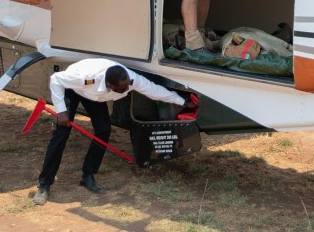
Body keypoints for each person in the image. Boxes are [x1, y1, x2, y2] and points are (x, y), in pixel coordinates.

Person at [33, 58, 197, 205]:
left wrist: (183, 101)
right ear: (110, 85)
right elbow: (56, 80)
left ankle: (87, 175)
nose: (127, 89)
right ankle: (44, 185)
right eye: (123, 88)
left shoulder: (130, 80)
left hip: (96, 98)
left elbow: (154, 91)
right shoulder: (87, 77)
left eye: (128, 85)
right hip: (73, 89)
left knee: (104, 130)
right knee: (62, 134)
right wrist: (61, 110)